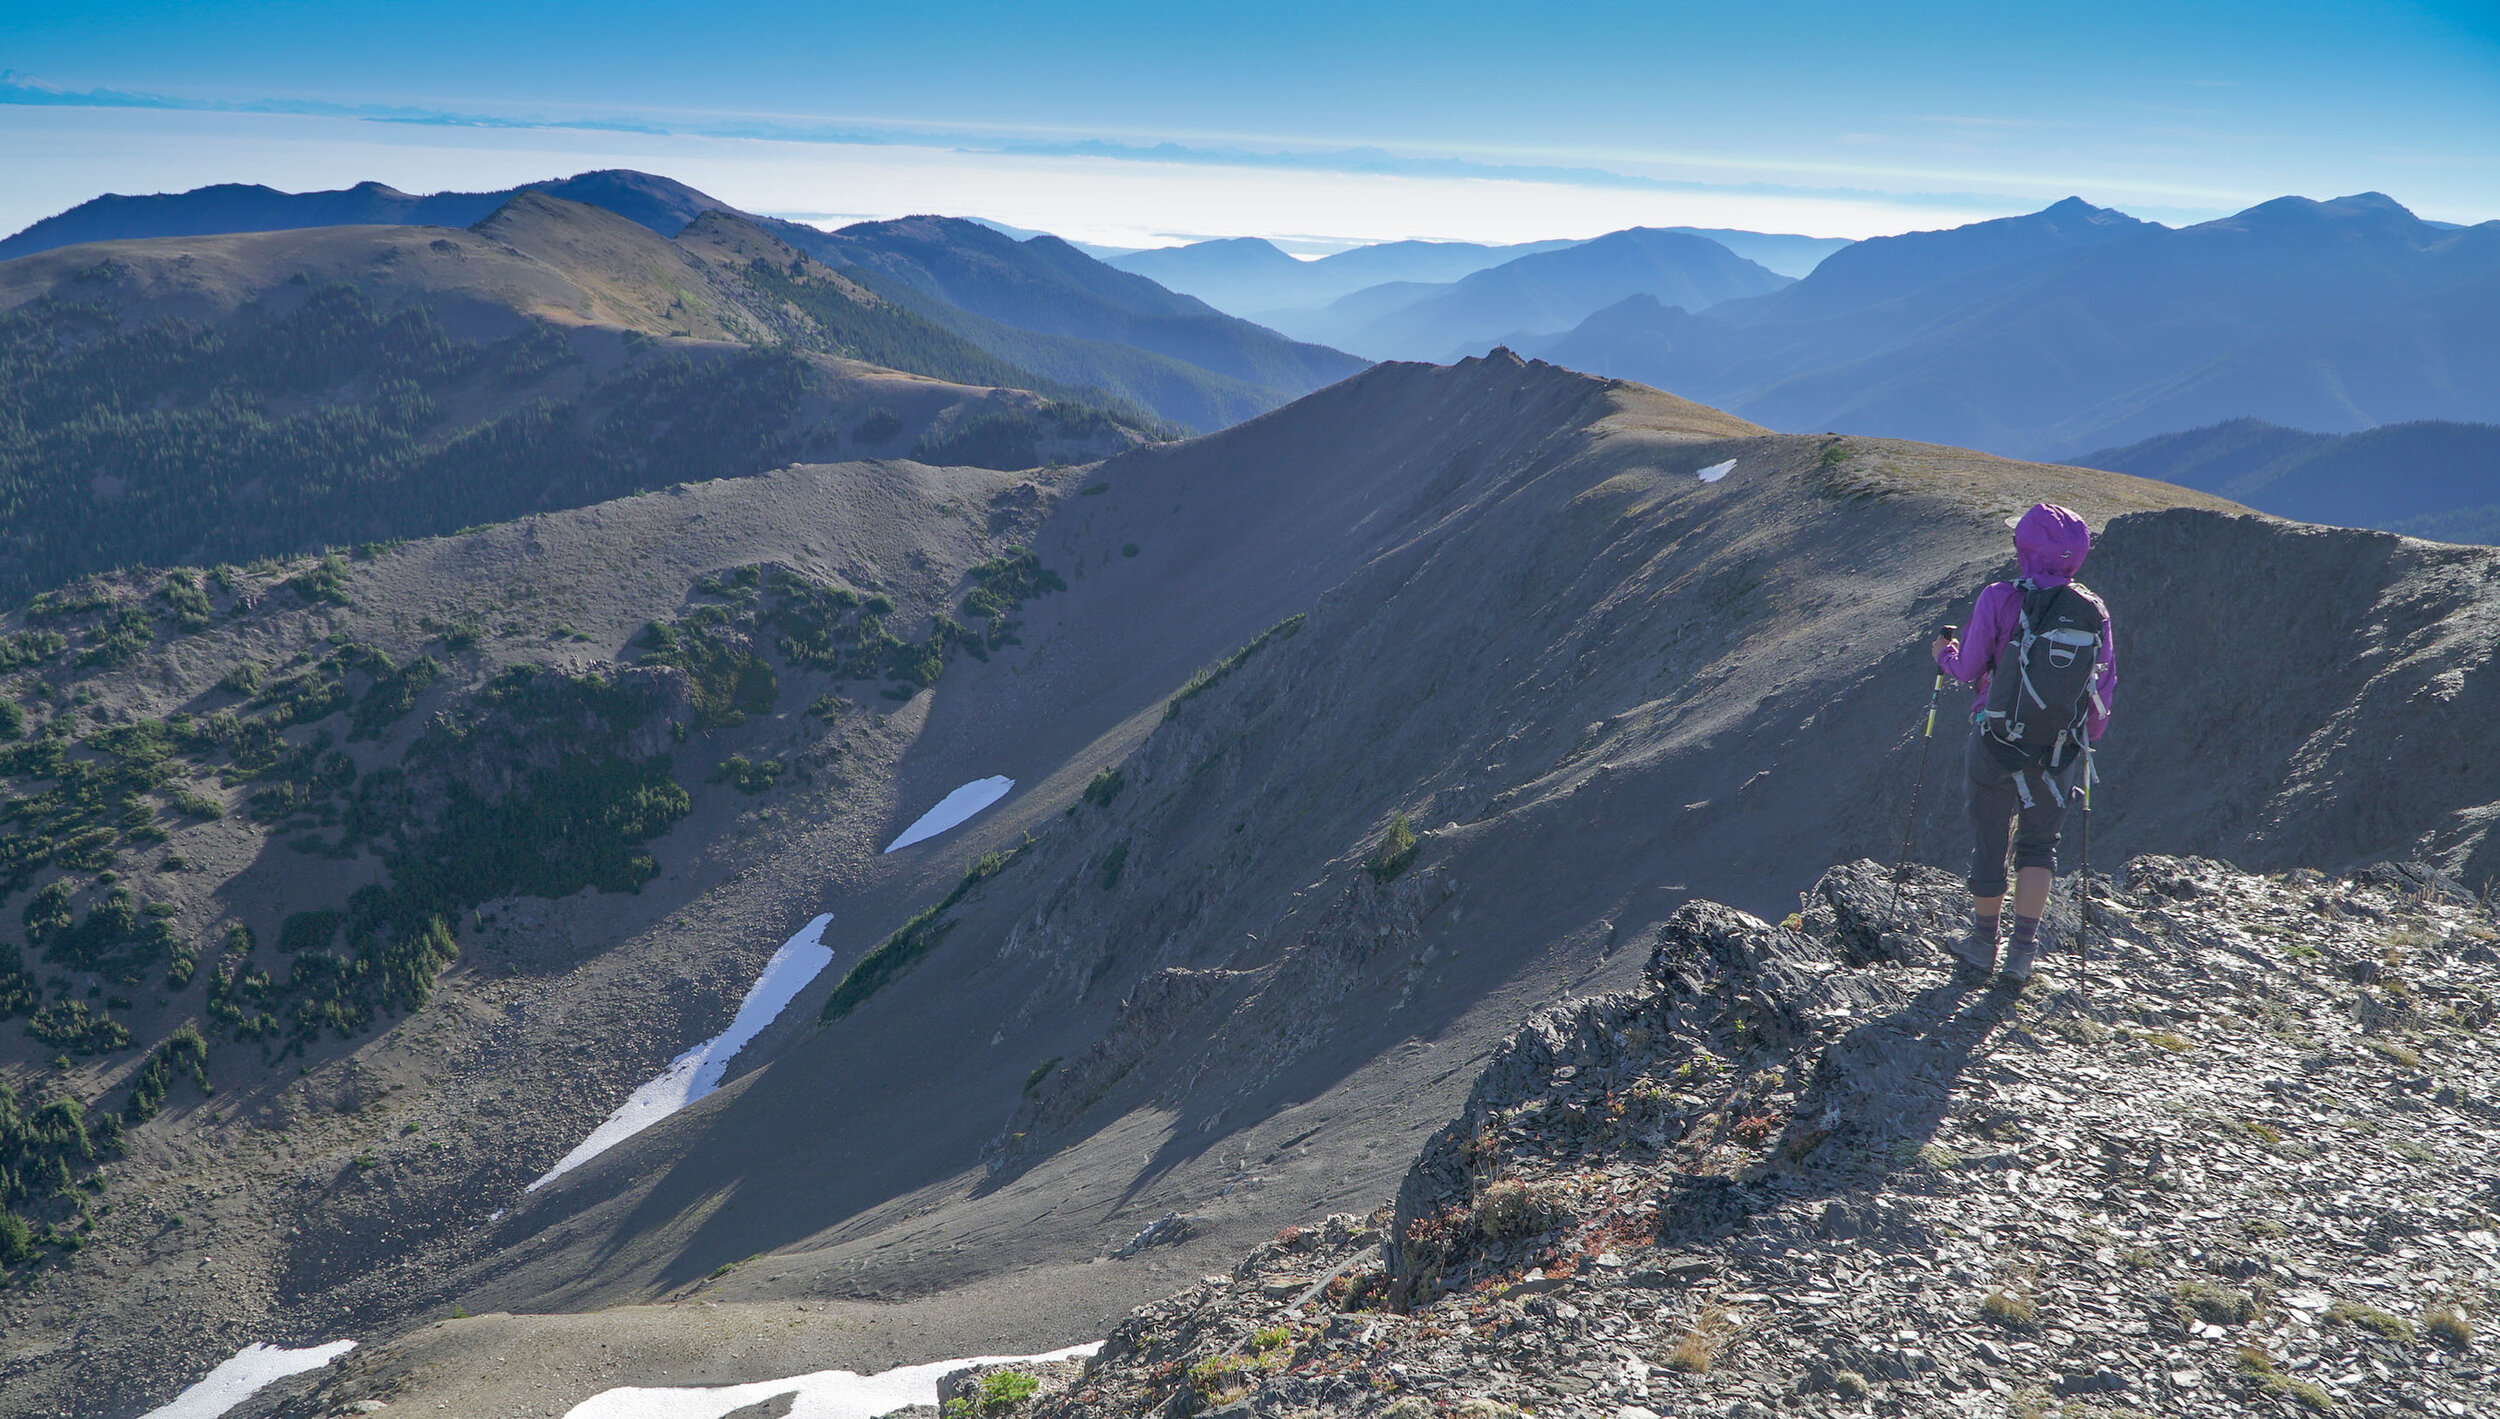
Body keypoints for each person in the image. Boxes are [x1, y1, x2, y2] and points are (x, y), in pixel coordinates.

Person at [1930, 503, 2116, 984]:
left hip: (1995, 741)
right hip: (2058, 749)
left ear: (2025, 548)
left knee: (1991, 841)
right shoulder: (2093, 610)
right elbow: (2102, 689)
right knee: (2040, 847)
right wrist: (2081, 743)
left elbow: (1969, 669)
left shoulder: (1999, 597)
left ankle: (1981, 944)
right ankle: (2021, 954)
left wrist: (1944, 656)